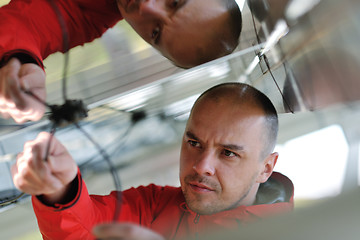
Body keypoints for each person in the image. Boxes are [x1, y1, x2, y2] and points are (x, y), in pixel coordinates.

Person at [11, 82, 294, 240]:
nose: (200, 166)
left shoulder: (294, 232)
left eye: (228, 153)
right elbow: (87, 228)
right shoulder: (156, 204)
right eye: (194, 143)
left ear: (265, 168)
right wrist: (60, 187)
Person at [0, 0, 242, 123]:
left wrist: (22, 63)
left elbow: (31, 27)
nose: (146, 7)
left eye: (155, 32)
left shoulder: (90, 14)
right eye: (175, 1)